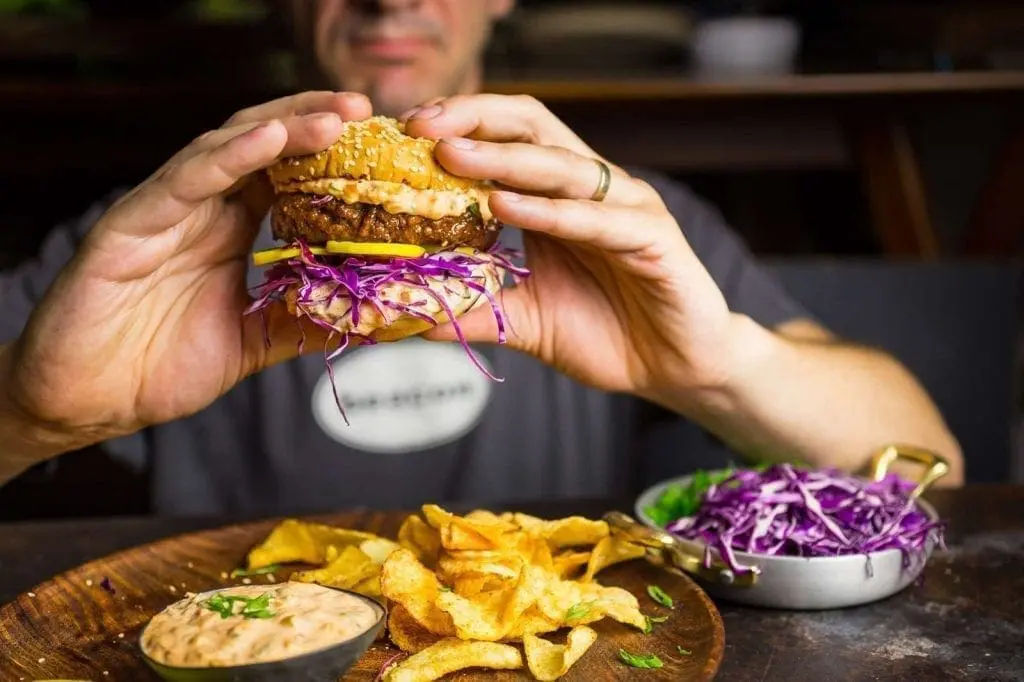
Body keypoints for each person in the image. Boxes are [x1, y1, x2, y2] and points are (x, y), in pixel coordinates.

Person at [0, 0, 962, 515]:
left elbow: (933, 466)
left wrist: (712, 369)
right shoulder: (140, 247)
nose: (391, 0)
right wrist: (27, 416)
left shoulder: (618, 227)